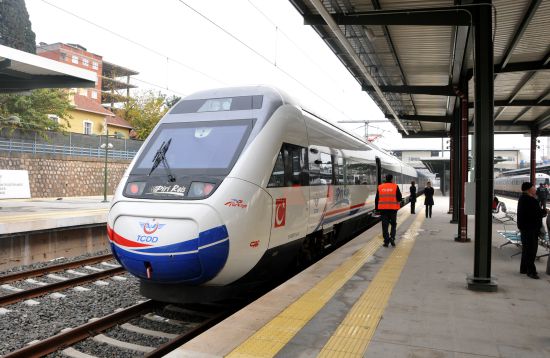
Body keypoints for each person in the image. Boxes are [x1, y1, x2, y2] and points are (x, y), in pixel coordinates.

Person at [517, 182, 547, 279]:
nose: (535, 188)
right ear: (529, 189)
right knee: (531, 250)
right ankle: (531, 271)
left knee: (526, 249)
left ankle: (524, 268)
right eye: (533, 187)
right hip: (531, 229)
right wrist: (545, 211)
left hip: (524, 228)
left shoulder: (522, 198)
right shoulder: (530, 200)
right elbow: (537, 214)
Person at [375, 174, 402, 247]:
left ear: (385, 179)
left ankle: (386, 241)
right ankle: (392, 238)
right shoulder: (395, 186)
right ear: (392, 179)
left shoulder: (380, 187)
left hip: (383, 210)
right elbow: (399, 198)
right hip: (393, 209)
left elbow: (377, 199)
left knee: (385, 226)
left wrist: (376, 209)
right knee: (393, 224)